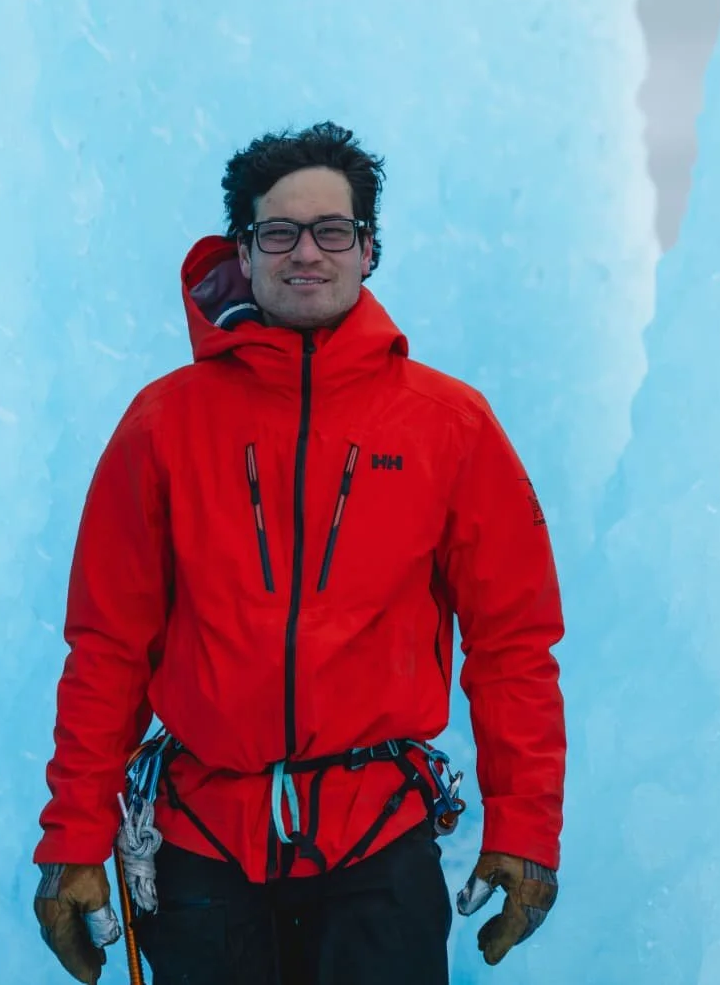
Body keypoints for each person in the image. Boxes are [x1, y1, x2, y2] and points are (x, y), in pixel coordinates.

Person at [31, 121, 566, 984]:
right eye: (278, 231)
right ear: (243, 252)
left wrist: (526, 830)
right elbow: (108, 647)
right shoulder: (162, 425)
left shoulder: (450, 426)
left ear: (369, 249)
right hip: (204, 850)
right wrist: (73, 838)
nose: (306, 251)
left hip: (378, 849)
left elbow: (514, 644)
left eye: (332, 230)